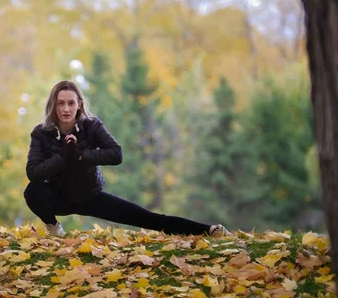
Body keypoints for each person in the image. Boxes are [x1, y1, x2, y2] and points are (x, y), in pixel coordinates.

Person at [23, 80, 232, 237]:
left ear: (79, 105)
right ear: (53, 105)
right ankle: (53, 227)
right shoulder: (41, 133)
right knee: (32, 191)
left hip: (90, 196)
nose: (66, 109)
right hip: (59, 199)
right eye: (60, 103)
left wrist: (80, 156)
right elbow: (33, 172)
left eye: (70, 103)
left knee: (149, 218)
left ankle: (210, 230)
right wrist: (62, 156)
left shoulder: (92, 125)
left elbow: (116, 154)